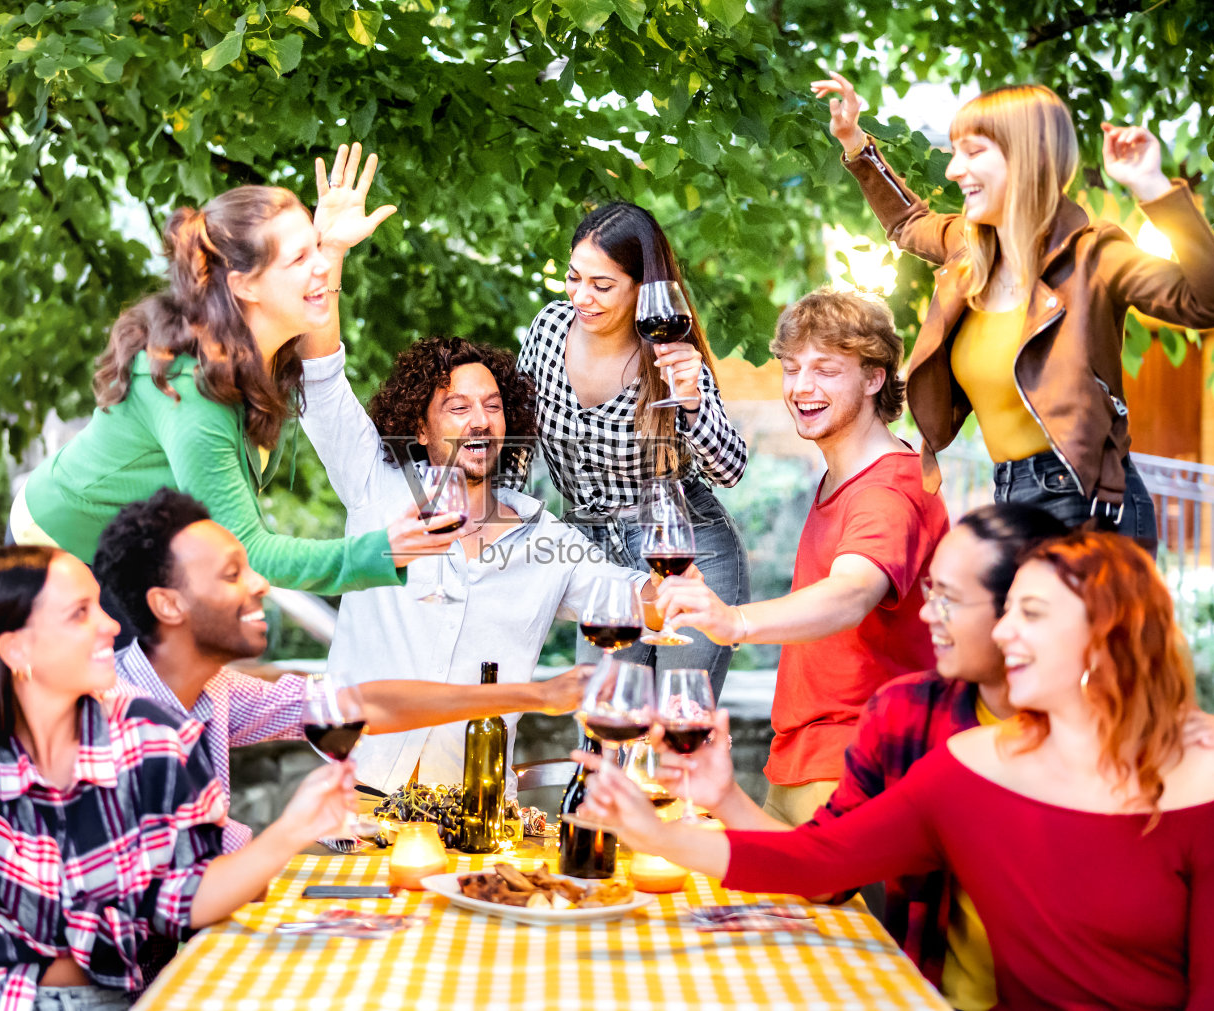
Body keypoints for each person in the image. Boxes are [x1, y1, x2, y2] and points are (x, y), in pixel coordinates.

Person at [0, 423, 357, 1011]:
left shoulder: (151, 741)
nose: (109, 626)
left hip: (107, 1000)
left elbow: (185, 898)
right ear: (18, 650)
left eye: (100, 607)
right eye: (80, 613)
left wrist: (291, 830)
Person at [580, 531, 1214, 1009]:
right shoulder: (972, 767)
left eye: (1030, 615)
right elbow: (820, 861)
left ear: (1104, 636)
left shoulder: (1205, 779)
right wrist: (661, 834)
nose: (1003, 632)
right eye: (1007, 613)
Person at [12, 145, 462, 637]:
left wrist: (332, 251)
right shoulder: (190, 393)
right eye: (300, 257)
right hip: (61, 550)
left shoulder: (261, 350)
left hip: (141, 549)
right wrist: (382, 550)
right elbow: (247, 550)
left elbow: (322, 366)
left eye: (314, 248)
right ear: (245, 286)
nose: (318, 266)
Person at [813, 72, 1214, 552]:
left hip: (1087, 500)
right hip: (1010, 493)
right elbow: (907, 221)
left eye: (973, 152)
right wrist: (855, 143)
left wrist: (1152, 187)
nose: (954, 170)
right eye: (956, 153)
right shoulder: (968, 251)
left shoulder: (1094, 257)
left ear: (1026, 158)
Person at [93, 488, 594, 847]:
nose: (261, 584)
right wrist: (296, 829)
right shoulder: (107, 717)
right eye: (232, 574)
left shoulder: (217, 690)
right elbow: (173, 895)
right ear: (168, 605)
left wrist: (538, 696)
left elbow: (364, 704)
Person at [295, 332, 655, 793]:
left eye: (493, 406)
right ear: (420, 428)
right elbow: (321, 376)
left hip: (477, 809)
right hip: (354, 795)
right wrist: (322, 284)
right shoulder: (376, 487)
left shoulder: (546, 539)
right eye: (458, 407)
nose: (480, 421)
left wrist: (676, 589)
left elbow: (633, 599)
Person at [654, 288, 950, 825]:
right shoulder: (844, 479)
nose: (801, 387)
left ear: (874, 378)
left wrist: (734, 621)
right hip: (803, 764)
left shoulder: (888, 490)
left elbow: (852, 593)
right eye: (792, 369)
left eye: (826, 370)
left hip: (857, 765)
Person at [501, 201, 748, 702]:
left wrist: (692, 402)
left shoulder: (669, 355)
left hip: (685, 552)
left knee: (677, 723)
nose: (581, 297)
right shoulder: (549, 329)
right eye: (574, 278)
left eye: (602, 285)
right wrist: (499, 526)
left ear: (642, 287)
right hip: (595, 560)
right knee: (603, 726)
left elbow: (730, 469)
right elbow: (518, 443)